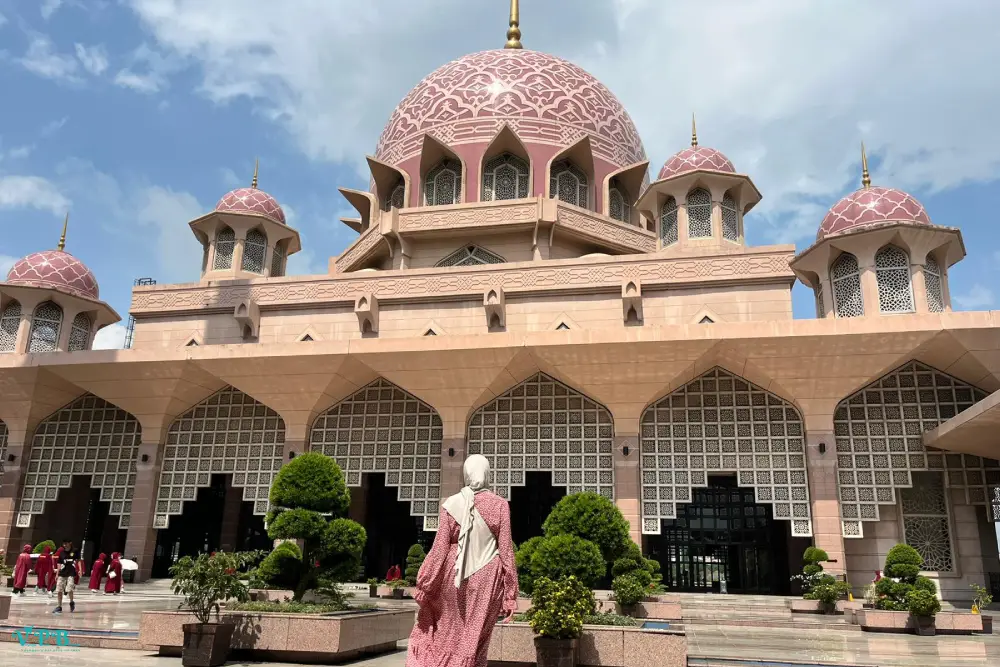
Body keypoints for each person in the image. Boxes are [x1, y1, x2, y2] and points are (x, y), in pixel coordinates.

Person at [406, 454, 517, 667]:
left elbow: (439, 547)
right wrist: (510, 595)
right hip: (487, 577)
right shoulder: (500, 505)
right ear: (486, 473)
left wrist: (425, 582)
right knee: (476, 637)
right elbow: (506, 550)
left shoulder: (452, 504)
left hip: (453, 573)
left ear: (466, 473)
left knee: (448, 631)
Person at [53, 540, 82, 614]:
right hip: (62, 573)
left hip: (71, 573)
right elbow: (59, 563)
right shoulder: (62, 553)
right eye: (63, 544)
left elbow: (78, 560)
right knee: (59, 590)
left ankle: (71, 602)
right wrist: (57, 574)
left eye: (66, 543)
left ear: (70, 543)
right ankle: (59, 606)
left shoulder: (75, 551)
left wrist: (80, 570)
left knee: (69, 589)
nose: (65, 545)